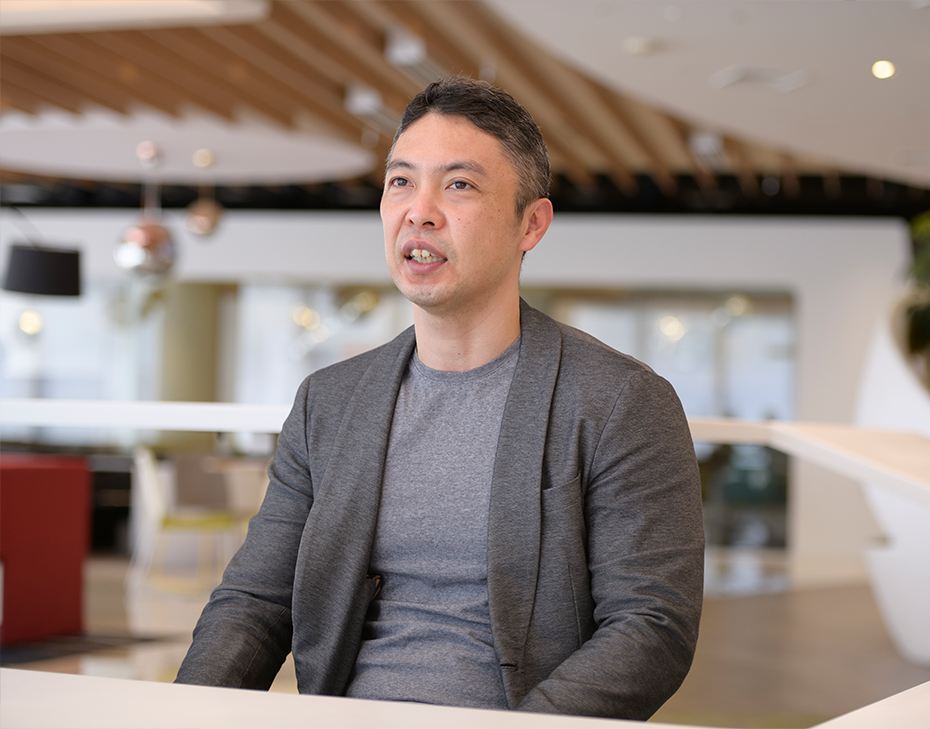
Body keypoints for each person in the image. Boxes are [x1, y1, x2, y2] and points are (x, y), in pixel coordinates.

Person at [176, 77, 704, 721]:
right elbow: (255, 603)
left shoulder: (620, 401)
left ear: (531, 224)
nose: (419, 211)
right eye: (401, 181)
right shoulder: (328, 403)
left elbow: (651, 626)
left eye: (459, 185)